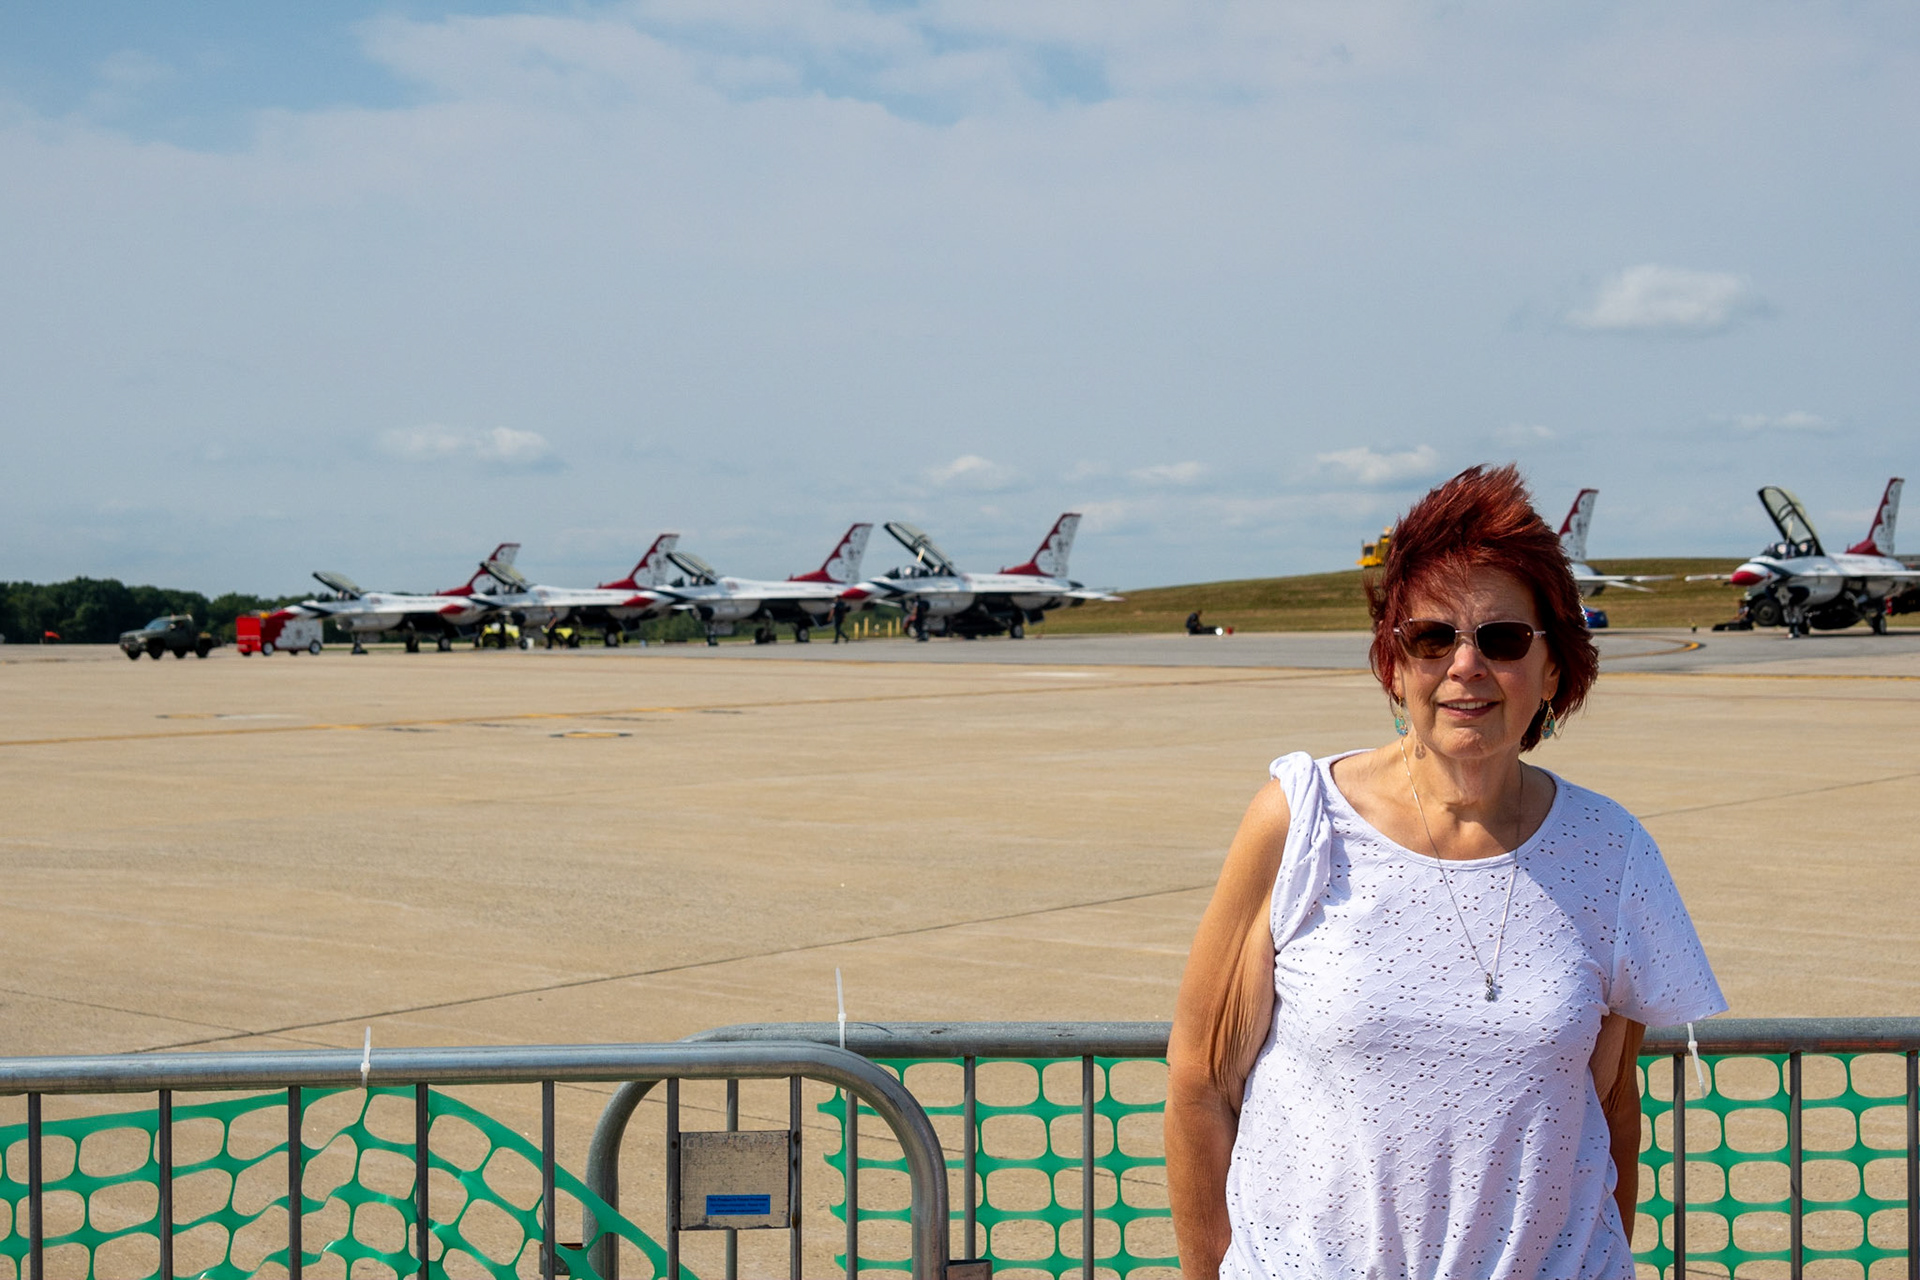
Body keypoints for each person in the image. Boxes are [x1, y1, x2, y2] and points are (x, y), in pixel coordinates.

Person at [1166, 464, 1724, 1280]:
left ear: (1554, 670)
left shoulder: (1613, 850)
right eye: (1432, 638)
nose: (1466, 666)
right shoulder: (1299, 820)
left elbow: (1611, 1109)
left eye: (1503, 640)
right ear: (1394, 667)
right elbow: (1202, 1084)